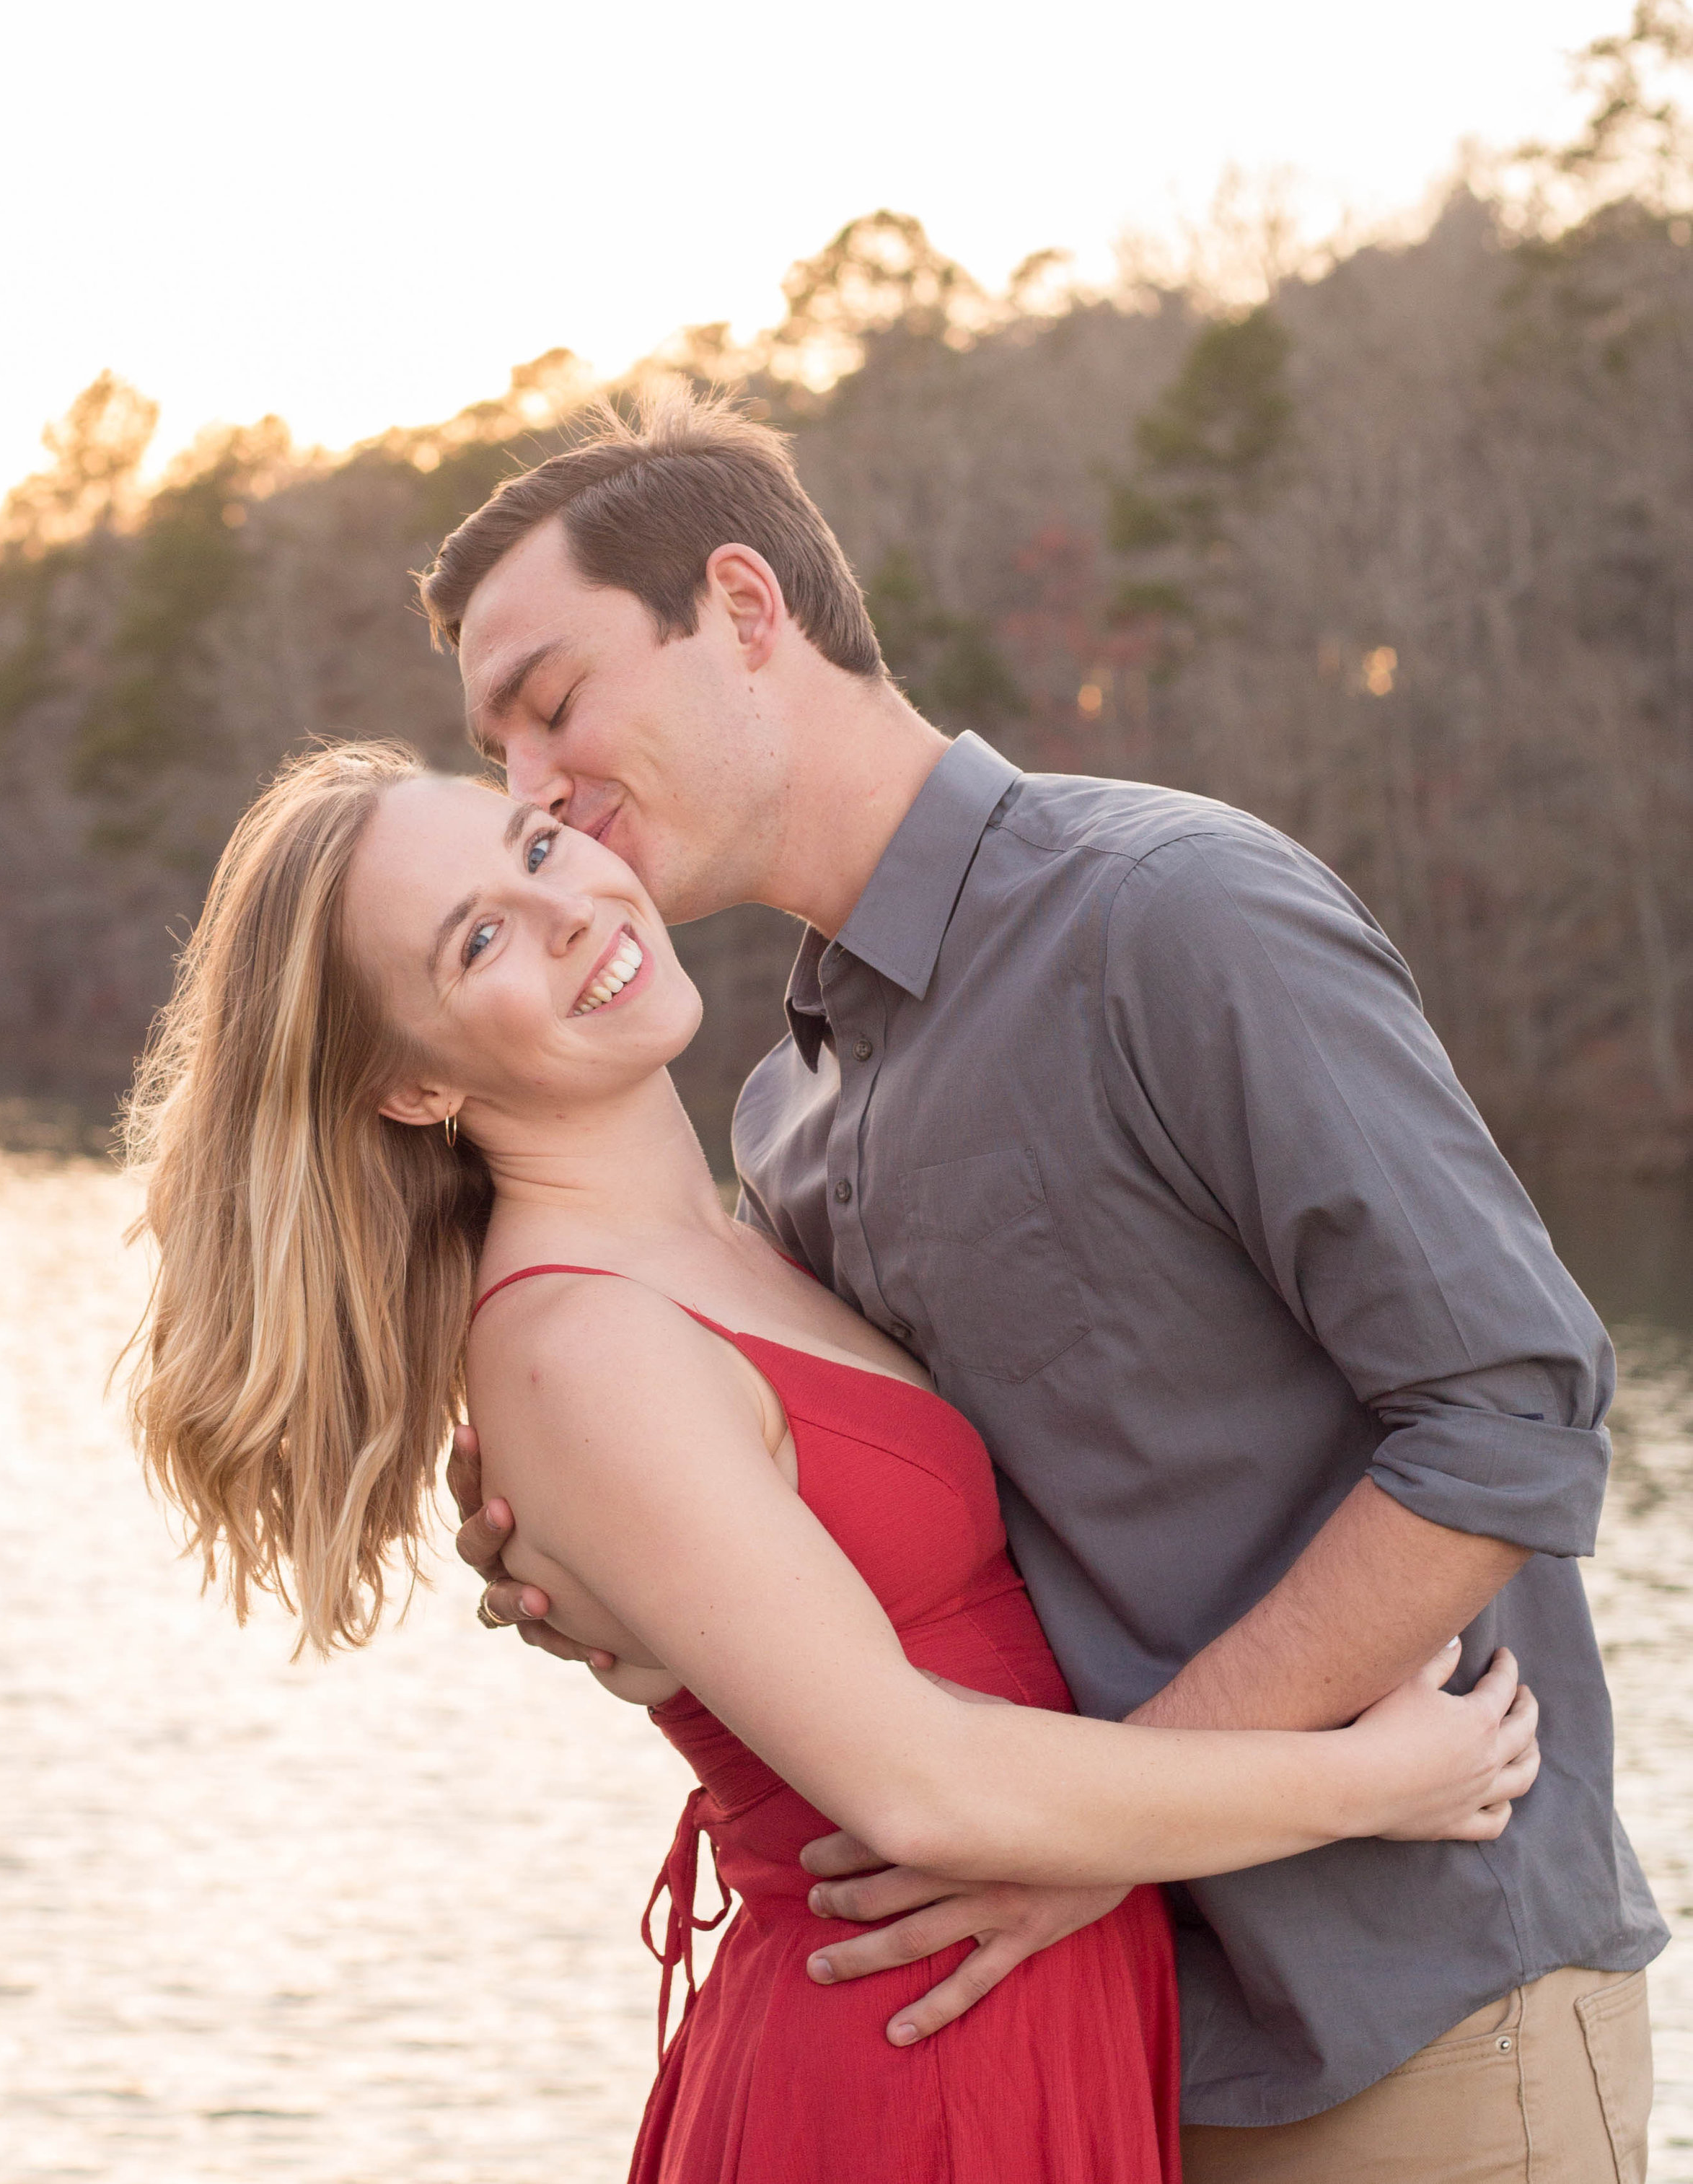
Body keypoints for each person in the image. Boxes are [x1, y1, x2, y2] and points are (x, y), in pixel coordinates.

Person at [423, 387, 1665, 2183]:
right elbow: (873, 1556)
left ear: (746, 612)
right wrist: (599, 1559)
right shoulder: (786, 1115)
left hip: (1410, 2023)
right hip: (1073, 2050)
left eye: (553, 707)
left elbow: (1513, 1415)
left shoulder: (1168, 916)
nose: (537, 790)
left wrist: (1083, 1839)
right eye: (499, 760)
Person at [123, 740, 1539, 2184]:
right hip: (905, 2064)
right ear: (410, 1088)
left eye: (535, 849)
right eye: (476, 937)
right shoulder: (575, 1348)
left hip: (1019, 2017)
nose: (562, 911)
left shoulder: (744, 1234)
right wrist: (1373, 1784)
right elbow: (919, 1787)